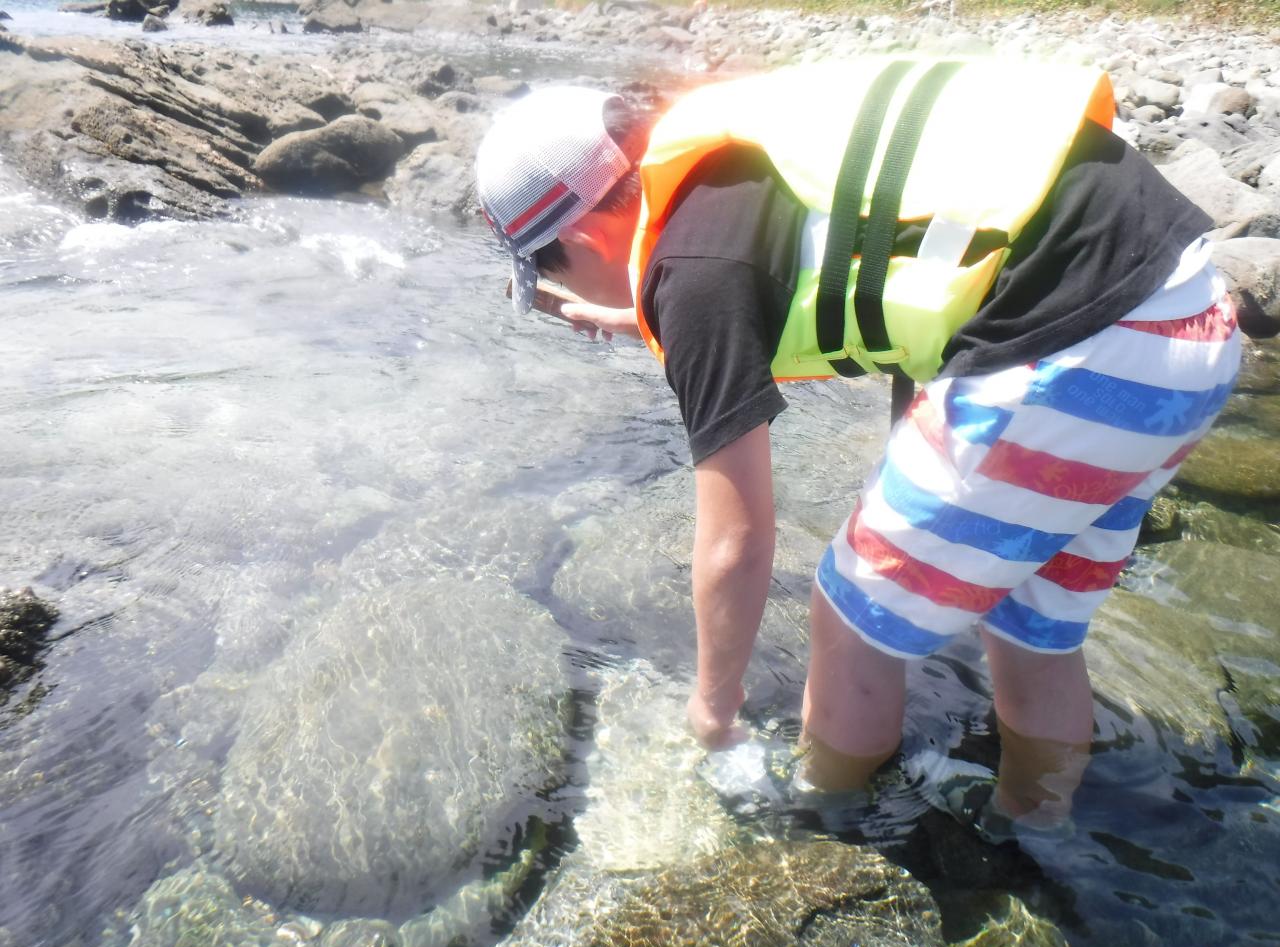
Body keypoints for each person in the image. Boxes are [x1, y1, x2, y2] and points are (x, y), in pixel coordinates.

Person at [474, 60, 1241, 830]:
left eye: (546, 275)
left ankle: (831, 824)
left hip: (1080, 353)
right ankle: (1037, 831)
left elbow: (736, 541)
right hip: (1182, 318)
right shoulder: (731, 172)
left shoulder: (694, 280)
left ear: (581, 233)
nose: (556, 295)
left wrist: (713, 708)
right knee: (1030, 623)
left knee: (851, 610)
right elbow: (845, 274)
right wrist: (657, 318)